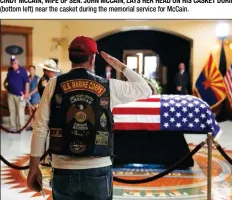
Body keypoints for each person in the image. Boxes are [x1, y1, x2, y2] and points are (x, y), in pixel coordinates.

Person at [27, 36, 152, 200]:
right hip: (98, 167)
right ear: (93, 58)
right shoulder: (109, 86)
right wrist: (119, 66)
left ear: (70, 56)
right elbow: (146, 89)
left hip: (63, 168)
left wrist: (33, 167)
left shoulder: (52, 84)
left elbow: (40, 127)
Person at [3, 56, 29, 132]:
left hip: (20, 95)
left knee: (20, 111)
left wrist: (27, 93)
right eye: (12, 63)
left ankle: (21, 127)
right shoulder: (10, 70)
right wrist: (6, 86)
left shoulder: (23, 71)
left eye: (15, 63)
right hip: (10, 94)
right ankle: (13, 126)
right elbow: (7, 80)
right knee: (12, 111)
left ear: (18, 63)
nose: (13, 64)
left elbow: (27, 83)